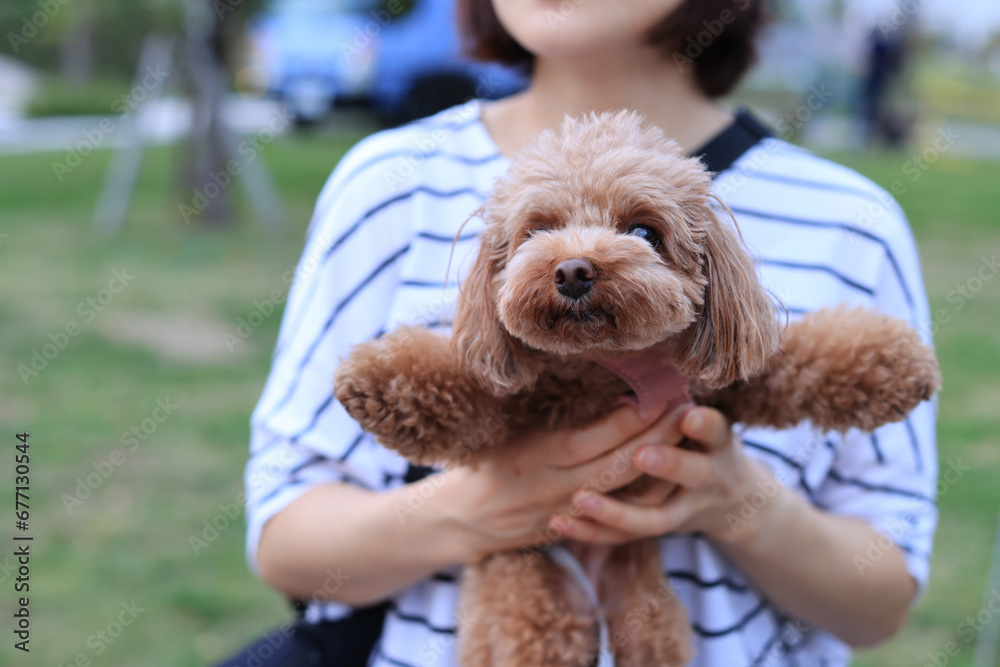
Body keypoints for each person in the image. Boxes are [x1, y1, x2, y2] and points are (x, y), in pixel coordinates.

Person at [227, 0, 939, 665]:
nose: (574, 263)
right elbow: (285, 543)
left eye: (642, 232)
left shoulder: (854, 222)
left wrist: (738, 504)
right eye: (539, 234)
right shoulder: (389, 184)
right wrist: (483, 507)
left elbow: (879, 605)